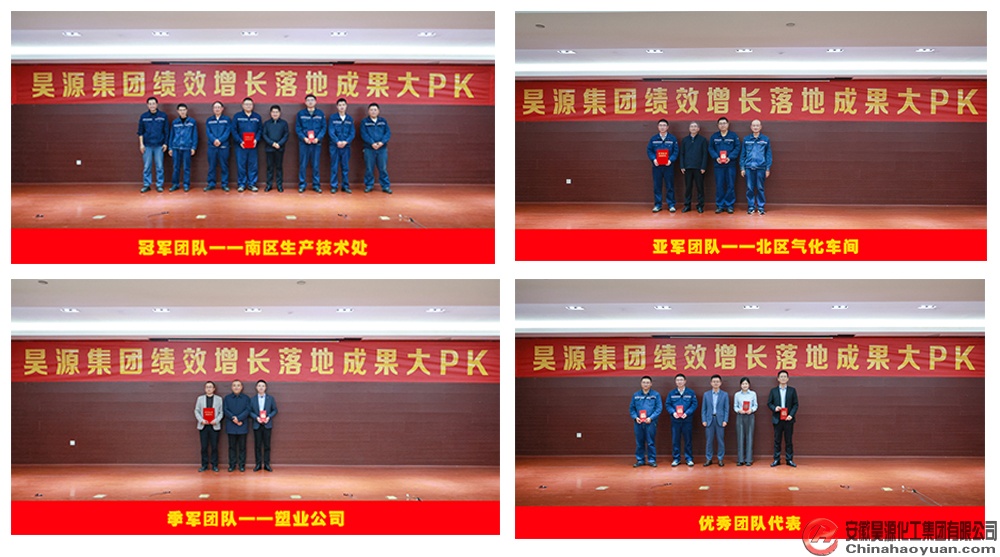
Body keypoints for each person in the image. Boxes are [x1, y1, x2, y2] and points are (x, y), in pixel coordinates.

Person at [708, 117, 741, 214]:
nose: (722, 125)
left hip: (730, 164)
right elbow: (710, 148)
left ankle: (730, 205)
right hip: (718, 165)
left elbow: (737, 147)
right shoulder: (714, 136)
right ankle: (720, 205)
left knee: (730, 185)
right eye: (720, 123)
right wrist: (716, 157)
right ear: (718, 125)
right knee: (719, 185)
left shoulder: (733, 136)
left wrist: (730, 157)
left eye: (724, 123)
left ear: (728, 124)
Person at [137, 96, 169, 193]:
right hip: (147, 145)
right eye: (150, 104)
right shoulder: (144, 116)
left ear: (157, 104)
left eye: (153, 103)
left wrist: (165, 143)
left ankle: (159, 185)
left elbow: (166, 131)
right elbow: (140, 132)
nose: (152, 105)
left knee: (159, 166)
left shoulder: (163, 116)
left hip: (159, 145)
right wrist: (141, 144)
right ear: (147, 105)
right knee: (147, 166)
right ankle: (147, 185)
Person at [740, 119, 773, 215]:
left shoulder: (765, 139)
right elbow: (742, 155)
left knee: (760, 188)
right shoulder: (746, 139)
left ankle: (761, 207)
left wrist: (767, 168)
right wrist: (742, 168)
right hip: (748, 167)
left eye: (757, 125)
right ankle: (751, 207)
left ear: (760, 127)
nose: (755, 127)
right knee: (749, 188)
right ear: (751, 127)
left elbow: (768, 155)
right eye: (754, 125)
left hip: (761, 168)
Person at [629, 375, 663, 467]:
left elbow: (659, 408)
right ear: (641, 384)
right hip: (638, 423)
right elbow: (632, 409)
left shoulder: (656, 395)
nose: (645, 384)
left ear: (651, 384)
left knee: (650, 442)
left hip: (650, 422)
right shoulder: (636, 395)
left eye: (647, 382)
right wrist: (635, 417)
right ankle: (640, 460)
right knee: (639, 442)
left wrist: (651, 418)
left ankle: (651, 460)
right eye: (644, 382)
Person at [646, 119, 678, 213]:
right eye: (660, 125)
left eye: (664, 125)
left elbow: (676, 151)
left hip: (668, 166)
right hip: (657, 167)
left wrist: (671, 160)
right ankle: (658, 205)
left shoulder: (672, 139)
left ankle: (671, 205)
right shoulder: (653, 139)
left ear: (667, 127)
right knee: (657, 186)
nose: (662, 127)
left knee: (670, 186)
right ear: (658, 127)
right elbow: (649, 150)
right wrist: (654, 159)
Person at [295, 94, 326, 193]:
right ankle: (302, 184)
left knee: (315, 165)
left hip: (316, 143)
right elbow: (298, 128)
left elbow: (323, 128)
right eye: (308, 100)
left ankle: (316, 185)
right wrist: (304, 138)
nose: (310, 102)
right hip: (304, 143)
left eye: (312, 100)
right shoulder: (301, 114)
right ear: (305, 102)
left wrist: (318, 138)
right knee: (303, 164)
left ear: (315, 102)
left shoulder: (320, 114)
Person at [767, 370, 798, 467]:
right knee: (777, 440)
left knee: (789, 441)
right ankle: (776, 459)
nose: (783, 378)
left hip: (788, 419)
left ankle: (789, 459)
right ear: (778, 379)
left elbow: (795, 404)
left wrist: (791, 415)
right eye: (781, 376)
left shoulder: (792, 390)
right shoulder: (773, 391)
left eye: (785, 376)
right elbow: (769, 403)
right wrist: (774, 408)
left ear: (788, 378)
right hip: (777, 419)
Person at [666, 373, 698, 466]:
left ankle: (689, 458)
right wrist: (673, 413)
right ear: (675, 382)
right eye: (677, 380)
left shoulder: (690, 393)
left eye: (681, 380)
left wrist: (687, 413)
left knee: (688, 440)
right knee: (675, 440)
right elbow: (668, 404)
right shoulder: (671, 393)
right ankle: (676, 459)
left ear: (685, 381)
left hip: (687, 420)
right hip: (675, 420)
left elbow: (694, 404)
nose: (679, 382)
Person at [361, 102, 392, 194]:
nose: (373, 111)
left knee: (383, 168)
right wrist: (372, 143)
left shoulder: (383, 121)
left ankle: (385, 186)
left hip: (382, 149)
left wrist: (382, 142)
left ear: (378, 111)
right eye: (371, 110)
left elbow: (387, 133)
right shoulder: (364, 122)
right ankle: (369, 185)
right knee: (369, 168)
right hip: (369, 149)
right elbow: (364, 134)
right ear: (368, 111)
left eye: (375, 110)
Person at [233, 97, 262, 192]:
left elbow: (260, 130)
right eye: (246, 104)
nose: (248, 106)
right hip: (241, 146)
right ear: (242, 105)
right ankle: (241, 184)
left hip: (253, 146)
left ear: (253, 106)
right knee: (241, 165)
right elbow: (234, 130)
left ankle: (252, 184)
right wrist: (239, 141)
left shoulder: (257, 117)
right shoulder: (237, 116)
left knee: (253, 165)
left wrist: (256, 140)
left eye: (250, 104)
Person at [679, 121, 709, 213]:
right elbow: (682, 154)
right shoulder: (685, 140)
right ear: (689, 129)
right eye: (691, 126)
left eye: (695, 126)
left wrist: (703, 167)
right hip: (687, 167)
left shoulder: (702, 140)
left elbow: (705, 154)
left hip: (699, 168)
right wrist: (682, 166)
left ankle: (700, 205)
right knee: (688, 188)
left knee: (700, 187)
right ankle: (687, 205)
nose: (693, 128)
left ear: (698, 129)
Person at [223, 379, 252, 472]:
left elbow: (248, 410)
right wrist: (233, 418)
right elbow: (225, 410)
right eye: (234, 385)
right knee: (232, 447)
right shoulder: (227, 398)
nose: (236, 387)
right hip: (231, 425)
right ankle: (232, 465)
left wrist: (239, 418)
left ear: (241, 387)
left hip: (242, 425)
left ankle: (241, 465)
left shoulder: (246, 398)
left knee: (242, 447)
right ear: (231, 387)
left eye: (238, 385)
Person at [194, 381, 224, 472]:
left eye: (210, 387)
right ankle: (204, 465)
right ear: (205, 389)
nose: (209, 389)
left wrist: (216, 420)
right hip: (203, 425)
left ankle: (214, 465)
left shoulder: (219, 399)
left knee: (214, 446)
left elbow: (221, 412)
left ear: (214, 389)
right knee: (204, 447)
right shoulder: (200, 399)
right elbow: (196, 411)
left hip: (214, 425)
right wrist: (201, 420)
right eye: (207, 387)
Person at [700, 374, 729, 466]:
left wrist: (725, 420)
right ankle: (709, 458)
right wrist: (704, 420)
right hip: (709, 420)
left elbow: (726, 409)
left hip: (720, 420)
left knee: (720, 440)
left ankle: (720, 458)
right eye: (714, 382)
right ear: (711, 383)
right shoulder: (706, 394)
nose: (715, 383)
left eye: (717, 382)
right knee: (709, 441)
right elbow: (704, 409)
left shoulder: (725, 394)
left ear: (720, 383)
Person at [328, 98, 355, 193]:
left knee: (345, 167)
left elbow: (352, 133)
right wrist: (337, 141)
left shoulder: (349, 119)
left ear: (346, 106)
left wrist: (346, 142)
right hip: (334, 146)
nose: (342, 107)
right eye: (340, 105)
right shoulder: (333, 118)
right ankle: (334, 186)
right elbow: (331, 131)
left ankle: (345, 186)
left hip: (346, 147)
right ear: (337, 107)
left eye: (343, 105)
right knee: (334, 166)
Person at [168, 104, 197, 192]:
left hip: (187, 147)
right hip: (176, 147)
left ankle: (186, 184)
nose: (182, 112)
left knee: (186, 167)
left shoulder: (192, 122)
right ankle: (175, 184)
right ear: (177, 111)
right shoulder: (175, 122)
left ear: (187, 110)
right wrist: (170, 147)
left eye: (184, 110)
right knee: (176, 167)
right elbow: (171, 135)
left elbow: (194, 135)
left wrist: (193, 147)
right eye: (180, 110)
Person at [249, 379, 277, 472]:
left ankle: (267, 464)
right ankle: (258, 464)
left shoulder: (270, 398)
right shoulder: (252, 399)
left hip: (267, 424)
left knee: (267, 445)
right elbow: (250, 411)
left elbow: (275, 410)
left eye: (263, 386)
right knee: (257, 445)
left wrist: (269, 417)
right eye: (259, 386)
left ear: (266, 387)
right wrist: (256, 417)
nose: (261, 388)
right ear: (256, 387)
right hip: (257, 424)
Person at [204, 101, 232, 192]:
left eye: (219, 107)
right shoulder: (209, 120)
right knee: (212, 166)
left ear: (222, 109)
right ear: (213, 109)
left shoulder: (227, 120)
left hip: (224, 146)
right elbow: (208, 132)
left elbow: (227, 132)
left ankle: (224, 184)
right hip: (212, 147)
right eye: (215, 107)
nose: (217, 109)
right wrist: (214, 140)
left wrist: (220, 140)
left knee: (224, 166)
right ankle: (211, 184)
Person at [262, 105, 289, 192]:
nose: (275, 114)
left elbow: (286, 135)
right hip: (269, 148)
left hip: (280, 148)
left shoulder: (284, 123)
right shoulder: (266, 123)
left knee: (279, 167)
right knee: (269, 167)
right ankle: (269, 185)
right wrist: (272, 143)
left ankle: (279, 185)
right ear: (270, 113)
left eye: (276, 112)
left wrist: (279, 144)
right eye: (273, 112)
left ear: (280, 113)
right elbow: (264, 135)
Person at [732, 376, 757, 466]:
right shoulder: (737, 395)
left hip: (750, 416)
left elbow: (755, 405)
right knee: (740, 437)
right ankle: (740, 459)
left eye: (746, 383)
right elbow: (735, 406)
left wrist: (752, 410)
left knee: (749, 437)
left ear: (749, 385)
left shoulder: (753, 394)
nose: (744, 385)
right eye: (743, 384)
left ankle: (748, 459)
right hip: (740, 416)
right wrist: (739, 410)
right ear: (740, 385)